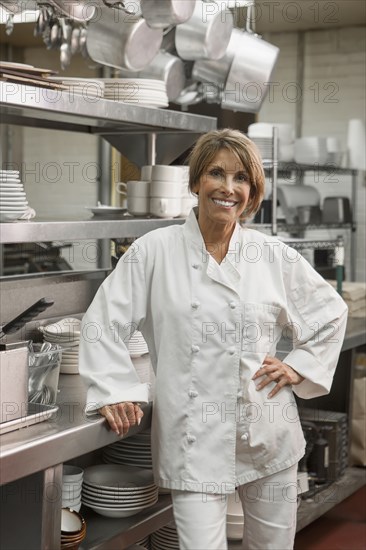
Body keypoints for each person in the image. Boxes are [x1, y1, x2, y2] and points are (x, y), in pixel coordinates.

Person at [79, 129, 348, 550]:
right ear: (196, 181)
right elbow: (102, 322)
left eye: (241, 178)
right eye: (216, 173)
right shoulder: (154, 252)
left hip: (268, 432)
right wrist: (114, 388)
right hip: (193, 439)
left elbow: (330, 312)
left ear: (252, 192)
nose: (228, 187)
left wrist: (299, 365)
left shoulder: (271, 255)